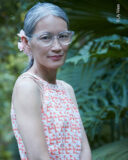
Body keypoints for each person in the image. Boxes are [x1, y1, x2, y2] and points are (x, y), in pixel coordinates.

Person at [10, 2, 92, 160]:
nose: (57, 47)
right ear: (26, 42)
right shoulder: (28, 86)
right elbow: (39, 157)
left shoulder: (67, 89)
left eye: (63, 36)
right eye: (46, 38)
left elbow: (84, 149)